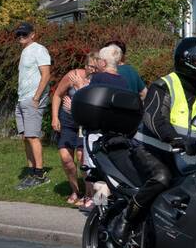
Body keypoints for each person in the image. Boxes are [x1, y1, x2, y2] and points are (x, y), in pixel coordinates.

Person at [121, 37, 196, 248]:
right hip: (150, 149)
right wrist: (175, 138)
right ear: (187, 61)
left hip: (183, 154)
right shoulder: (165, 85)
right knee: (162, 178)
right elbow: (154, 118)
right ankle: (126, 219)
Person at [77, 44, 132, 212]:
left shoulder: (99, 79)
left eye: (99, 60)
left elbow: (90, 102)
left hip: (97, 132)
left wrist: (80, 89)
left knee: (97, 173)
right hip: (117, 132)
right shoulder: (123, 81)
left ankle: (100, 209)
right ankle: (109, 204)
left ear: (103, 63)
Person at [51, 51, 99, 206]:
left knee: (82, 157)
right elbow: (58, 94)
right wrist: (55, 117)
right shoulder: (73, 75)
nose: (93, 70)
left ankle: (88, 194)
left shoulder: (98, 81)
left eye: (96, 67)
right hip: (67, 122)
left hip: (83, 124)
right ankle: (75, 190)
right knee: (66, 158)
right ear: (85, 65)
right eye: (91, 66)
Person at [13, 22, 52, 189]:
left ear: (32, 35)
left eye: (24, 34)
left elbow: (46, 74)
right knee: (25, 137)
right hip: (22, 99)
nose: (21, 37)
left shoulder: (39, 49)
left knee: (32, 137)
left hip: (32, 99)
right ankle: (31, 172)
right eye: (19, 35)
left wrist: (36, 97)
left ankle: (40, 174)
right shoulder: (25, 51)